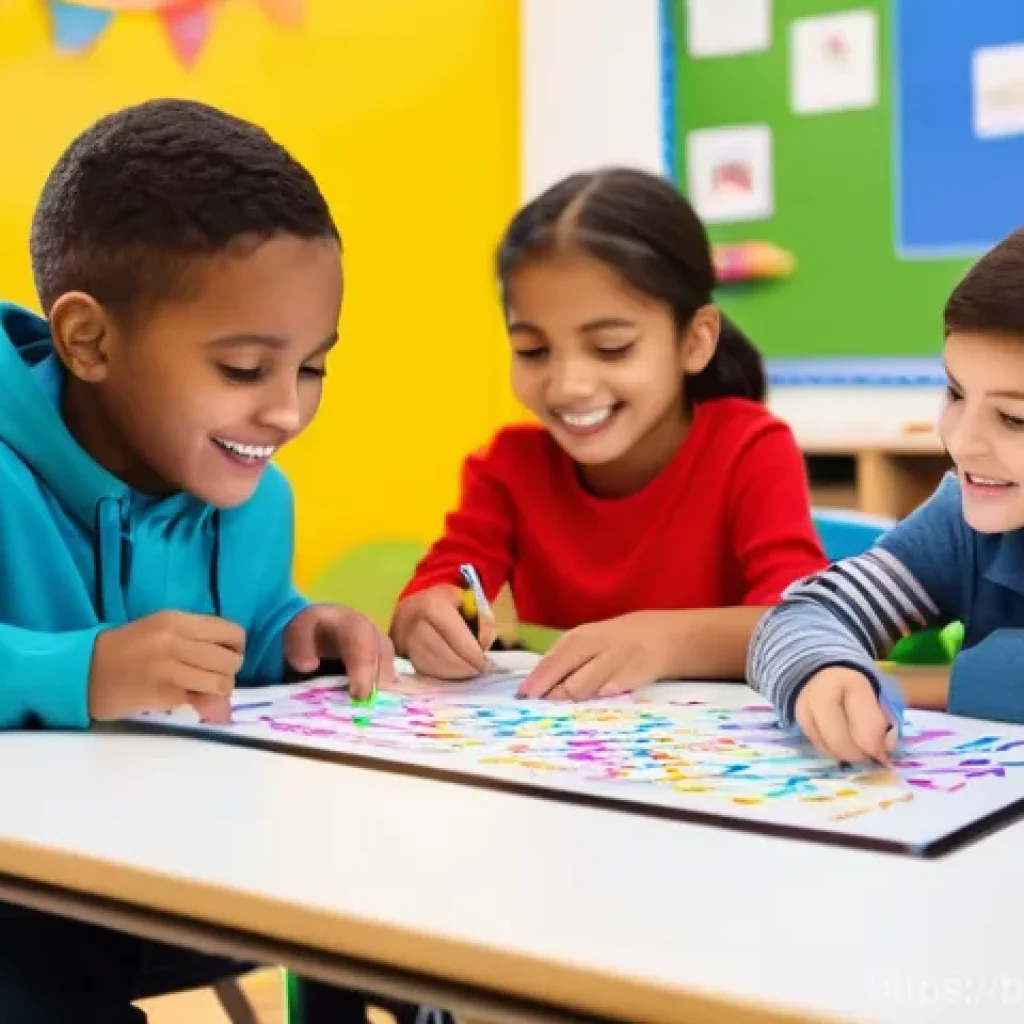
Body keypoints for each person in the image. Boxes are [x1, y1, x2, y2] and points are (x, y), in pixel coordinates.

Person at [0, 97, 435, 1024]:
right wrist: (81, 668)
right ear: (89, 341)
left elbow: (249, 623)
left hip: (182, 876)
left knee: (385, 907)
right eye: (245, 370)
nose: (286, 411)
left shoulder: (252, 494)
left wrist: (293, 632)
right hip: (25, 910)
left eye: (313, 367)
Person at [391, 167, 827, 700]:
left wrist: (663, 641)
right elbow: (432, 593)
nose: (569, 385)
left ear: (695, 340)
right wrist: (423, 621)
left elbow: (803, 621)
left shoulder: (749, 448)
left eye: (612, 347)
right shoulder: (508, 467)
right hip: (563, 755)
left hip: (713, 758)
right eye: (533, 351)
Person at [747, 226, 1024, 764]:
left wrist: (949, 680)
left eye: (1014, 418)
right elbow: (802, 615)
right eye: (955, 392)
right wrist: (824, 670)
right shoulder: (961, 523)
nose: (963, 443)